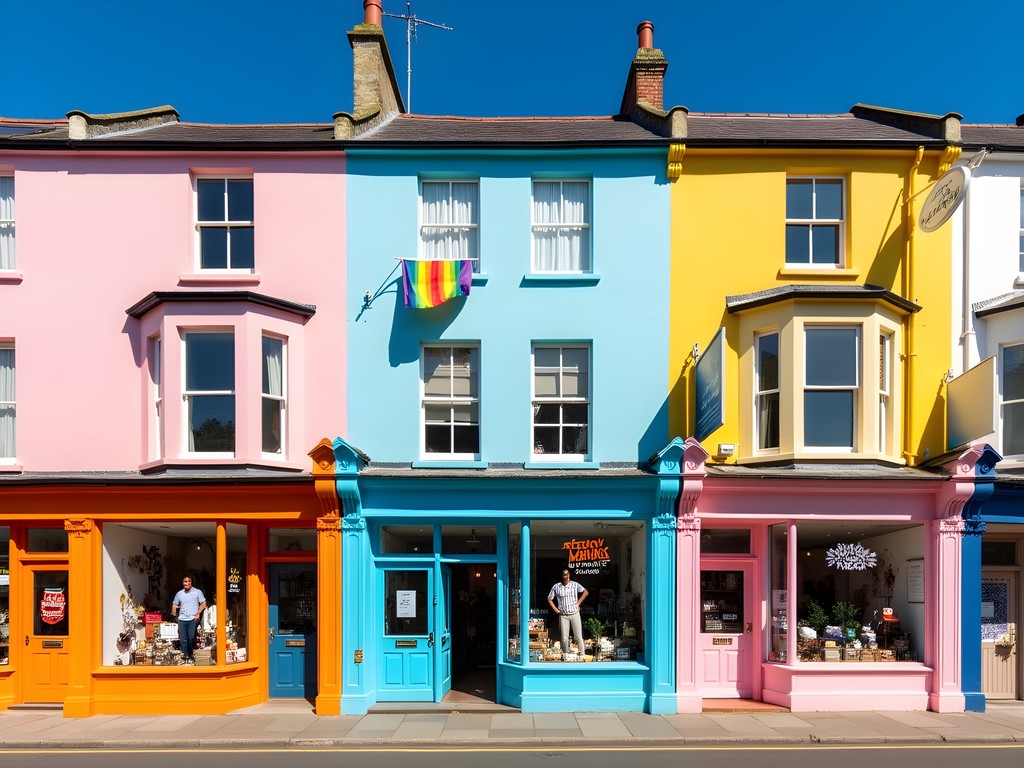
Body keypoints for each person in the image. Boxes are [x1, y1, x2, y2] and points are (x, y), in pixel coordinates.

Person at [547, 569, 589, 655]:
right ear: (562, 577)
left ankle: (582, 653)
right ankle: (565, 654)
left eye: (567, 575)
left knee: (578, 636)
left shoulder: (574, 584)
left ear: (569, 575)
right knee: (564, 637)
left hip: (574, 613)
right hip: (563, 614)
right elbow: (549, 598)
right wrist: (556, 610)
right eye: (564, 575)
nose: (566, 577)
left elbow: (585, 592)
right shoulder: (557, 586)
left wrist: (578, 603)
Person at [171, 576, 207, 665]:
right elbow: (174, 605)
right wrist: (175, 615)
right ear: (183, 583)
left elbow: (204, 603)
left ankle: (190, 655)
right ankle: (185, 656)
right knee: (183, 639)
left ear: (191, 582)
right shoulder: (179, 594)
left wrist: (198, 613)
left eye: (189, 581)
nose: (187, 583)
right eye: (185, 581)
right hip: (182, 619)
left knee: (190, 637)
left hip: (192, 619)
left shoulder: (197, 592)